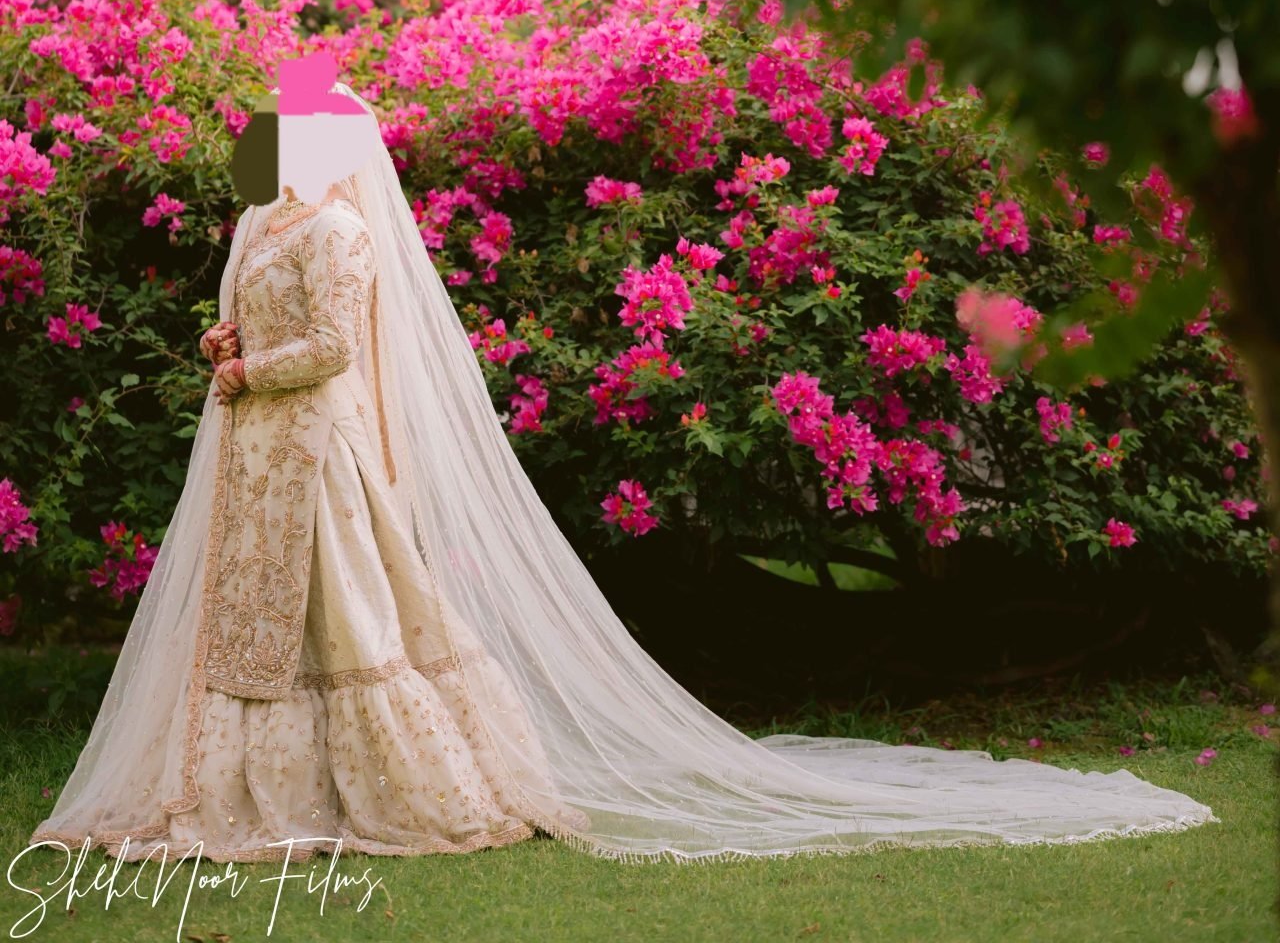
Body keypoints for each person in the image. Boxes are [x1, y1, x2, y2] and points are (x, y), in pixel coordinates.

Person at [30, 80, 1217, 865]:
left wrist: (255, 373)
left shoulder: (341, 231)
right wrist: (222, 347)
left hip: (310, 444)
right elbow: (262, 322)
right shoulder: (263, 226)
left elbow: (339, 348)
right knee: (259, 621)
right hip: (257, 451)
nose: (273, 141)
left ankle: (403, 792)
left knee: (345, 615)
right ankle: (249, 794)